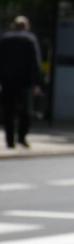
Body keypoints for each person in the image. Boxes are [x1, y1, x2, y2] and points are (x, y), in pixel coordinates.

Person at [0, 16, 42, 149]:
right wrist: (36, 82)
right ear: (26, 27)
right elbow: (35, 62)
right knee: (25, 111)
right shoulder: (30, 39)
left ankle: (10, 140)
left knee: (8, 111)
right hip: (25, 82)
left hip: (7, 81)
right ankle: (22, 137)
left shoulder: (5, 38)